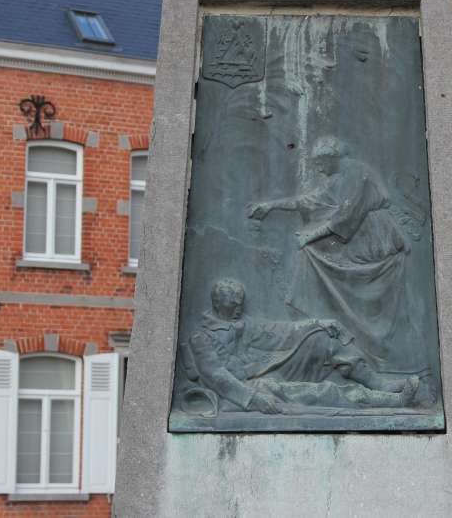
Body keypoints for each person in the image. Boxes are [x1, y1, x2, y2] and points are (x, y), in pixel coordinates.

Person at [248, 136, 431, 377]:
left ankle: (400, 367)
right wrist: (272, 205)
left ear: (331, 158)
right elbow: (310, 200)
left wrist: (310, 236)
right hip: (358, 244)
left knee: (383, 313)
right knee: (313, 261)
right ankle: (332, 347)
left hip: (378, 245)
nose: (318, 168)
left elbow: (347, 215)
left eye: (319, 162)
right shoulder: (337, 179)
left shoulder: (358, 173)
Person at [182, 278, 419, 414]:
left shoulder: (245, 323)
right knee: (323, 392)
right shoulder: (201, 339)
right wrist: (254, 398)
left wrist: (318, 323)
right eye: (232, 304)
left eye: (240, 304)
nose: (238, 309)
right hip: (251, 390)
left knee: (323, 338)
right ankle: (392, 402)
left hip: (272, 373)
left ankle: (378, 383)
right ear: (216, 303)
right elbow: (220, 379)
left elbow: (280, 332)